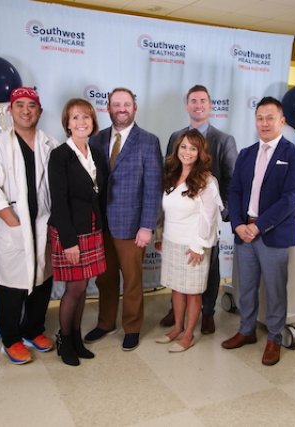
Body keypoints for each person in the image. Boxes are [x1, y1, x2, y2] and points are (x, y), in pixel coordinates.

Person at [222, 96, 295, 366]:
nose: (265, 123)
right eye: (260, 118)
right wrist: (238, 225)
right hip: (244, 231)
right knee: (245, 287)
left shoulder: (293, 155)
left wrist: (258, 226)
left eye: (270, 118)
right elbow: (234, 192)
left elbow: (289, 199)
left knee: (274, 289)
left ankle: (274, 338)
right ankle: (246, 331)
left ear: (282, 120)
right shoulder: (246, 154)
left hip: (273, 233)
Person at [0, 87, 59, 364]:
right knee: (12, 287)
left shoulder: (51, 143)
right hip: (14, 227)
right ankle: (11, 339)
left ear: (40, 111)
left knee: (43, 280)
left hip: (44, 225)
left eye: (32, 106)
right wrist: (11, 221)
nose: (26, 111)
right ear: (11, 110)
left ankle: (33, 330)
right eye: (20, 105)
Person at [86, 87, 163, 351]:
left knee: (131, 280)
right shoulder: (96, 140)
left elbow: (153, 187)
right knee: (105, 279)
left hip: (132, 227)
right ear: (107, 108)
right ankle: (106, 322)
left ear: (134, 108)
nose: (121, 109)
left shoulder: (148, 141)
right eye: (116, 104)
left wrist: (147, 226)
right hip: (101, 226)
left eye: (126, 104)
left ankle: (132, 327)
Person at [160, 84, 238, 334]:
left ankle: (207, 313)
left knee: (210, 268)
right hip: (178, 220)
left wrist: (220, 212)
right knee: (180, 272)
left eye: (203, 100)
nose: (198, 105)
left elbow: (232, 180)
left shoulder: (224, 140)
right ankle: (176, 312)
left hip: (205, 220)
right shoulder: (176, 136)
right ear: (187, 106)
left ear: (210, 105)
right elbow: (169, 173)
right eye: (193, 101)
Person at [48, 98, 107, 366]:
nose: (81, 122)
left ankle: (77, 339)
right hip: (69, 232)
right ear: (67, 124)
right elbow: (58, 201)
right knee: (75, 287)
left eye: (86, 117)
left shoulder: (96, 153)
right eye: (75, 118)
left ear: (93, 122)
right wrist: (69, 242)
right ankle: (65, 338)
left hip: (92, 229)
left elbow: (98, 194)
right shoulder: (60, 155)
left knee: (84, 288)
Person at [155, 129, 222, 352]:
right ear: (177, 149)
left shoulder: (207, 180)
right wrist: (160, 237)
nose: (187, 152)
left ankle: (188, 335)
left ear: (200, 152)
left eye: (193, 148)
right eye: (183, 147)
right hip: (172, 241)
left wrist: (198, 246)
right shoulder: (172, 175)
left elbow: (209, 217)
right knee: (176, 288)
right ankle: (177, 328)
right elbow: (166, 211)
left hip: (194, 245)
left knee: (193, 292)